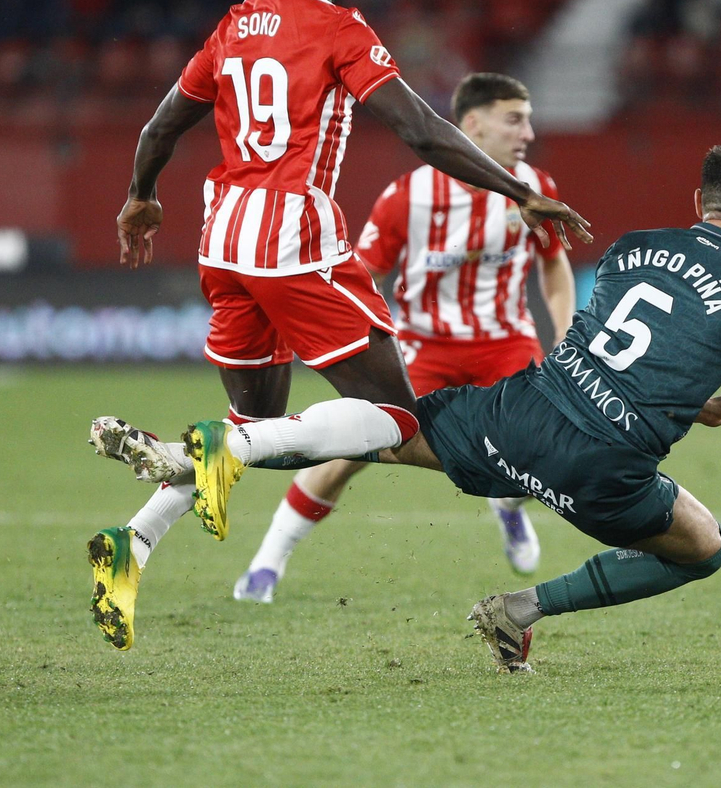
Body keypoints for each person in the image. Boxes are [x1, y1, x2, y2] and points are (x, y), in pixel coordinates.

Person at [96, 144, 721, 671]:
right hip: (603, 466)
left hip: (520, 413)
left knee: (386, 433)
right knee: (704, 548)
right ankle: (519, 609)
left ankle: (216, 455)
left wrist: (695, 407)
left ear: (697, 199)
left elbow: (603, 350)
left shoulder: (634, 246)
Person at [85, 0, 590, 651]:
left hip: (222, 241)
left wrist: (140, 198)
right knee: (398, 421)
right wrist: (520, 190)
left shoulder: (232, 24)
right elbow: (419, 129)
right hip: (294, 239)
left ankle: (133, 546)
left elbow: (161, 126)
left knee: (255, 428)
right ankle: (215, 452)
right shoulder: (339, 27)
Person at [232, 71, 576, 604]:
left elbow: (553, 265)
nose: (527, 133)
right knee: (347, 451)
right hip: (422, 346)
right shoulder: (408, 198)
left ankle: (508, 510)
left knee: (536, 451)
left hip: (505, 343)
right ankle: (267, 563)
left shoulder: (536, 190)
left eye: (528, 120)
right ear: (473, 126)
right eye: (515, 120)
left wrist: (564, 330)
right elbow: (363, 272)